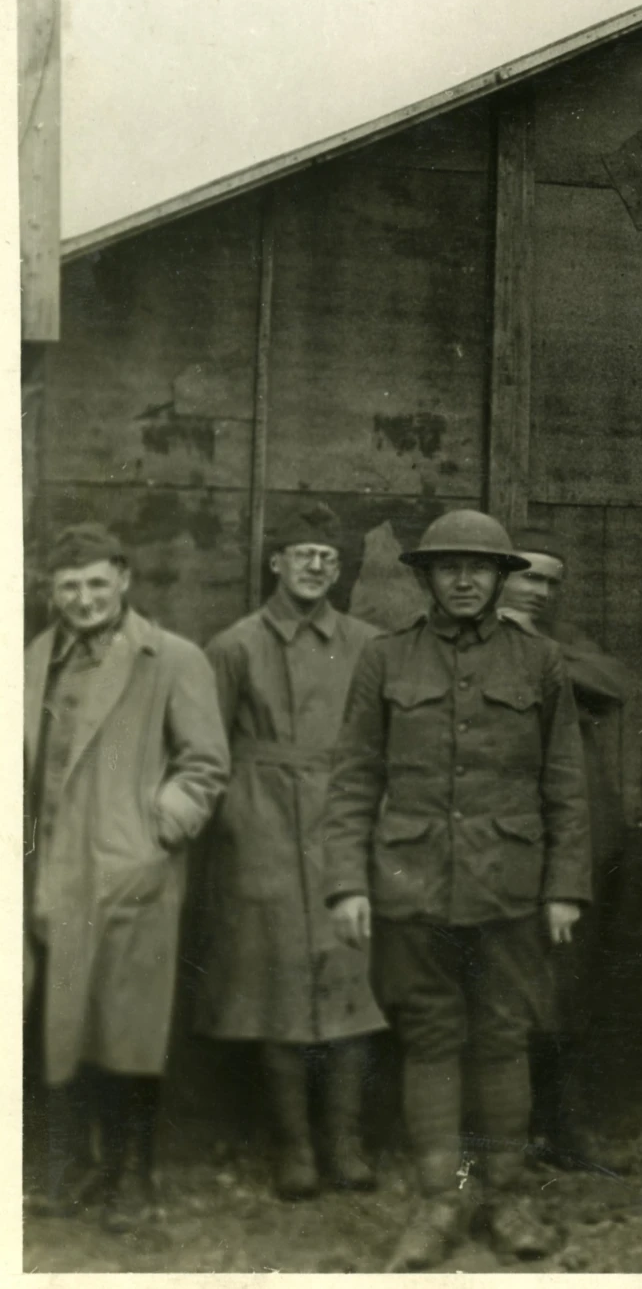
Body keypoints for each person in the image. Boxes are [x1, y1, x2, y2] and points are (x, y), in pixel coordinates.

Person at [323, 508, 591, 1270]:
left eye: (481, 568)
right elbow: (353, 779)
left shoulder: (539, 663)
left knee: (504, 1041)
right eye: (450, 568)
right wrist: (347, 883)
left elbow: (564, 785)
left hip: (510, 887)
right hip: (412, 885)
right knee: (432, 1042)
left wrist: (564, 887)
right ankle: (440, 1202)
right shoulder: (386, 659)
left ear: (504, 578)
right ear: (427, 577)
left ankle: (505, 1198)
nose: (465, 580)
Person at [26, 523, 229, 1232]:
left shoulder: (169, 658)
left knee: (130, 1030)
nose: (83, 599)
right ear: (52, 592)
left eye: (95, 583)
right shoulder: (32, 662)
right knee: (66, 1028)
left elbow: (205, 763)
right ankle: (85, 1167)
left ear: (123, 580)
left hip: (128, 874)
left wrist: (155, 834)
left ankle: (135, 1176)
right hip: (53, 878)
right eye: (68, 586)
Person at [198, 503, 385, 1201]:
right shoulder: (234, 646)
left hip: (342, 821)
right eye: (300, 553)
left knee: (351, 979)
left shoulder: (368, 644)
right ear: (275, 562)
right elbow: (207, 752)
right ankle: (293, 1147)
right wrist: (234, 829)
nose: (314, 566)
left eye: (327, 557)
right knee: (274, 986)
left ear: (340, 570)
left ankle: (345, 1141)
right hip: (263, 826)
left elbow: (380, 741)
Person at [499, 528, 633, 1177]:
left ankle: (563, 1129)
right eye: (529, 577)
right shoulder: (480, 642)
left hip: (577, 845)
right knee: (507, 992)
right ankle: (510, 1135)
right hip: (507, 842)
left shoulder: (563, 641)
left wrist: (539, 648)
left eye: (552, 581)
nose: (541, 590)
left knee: (569, 990)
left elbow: (612, 681)